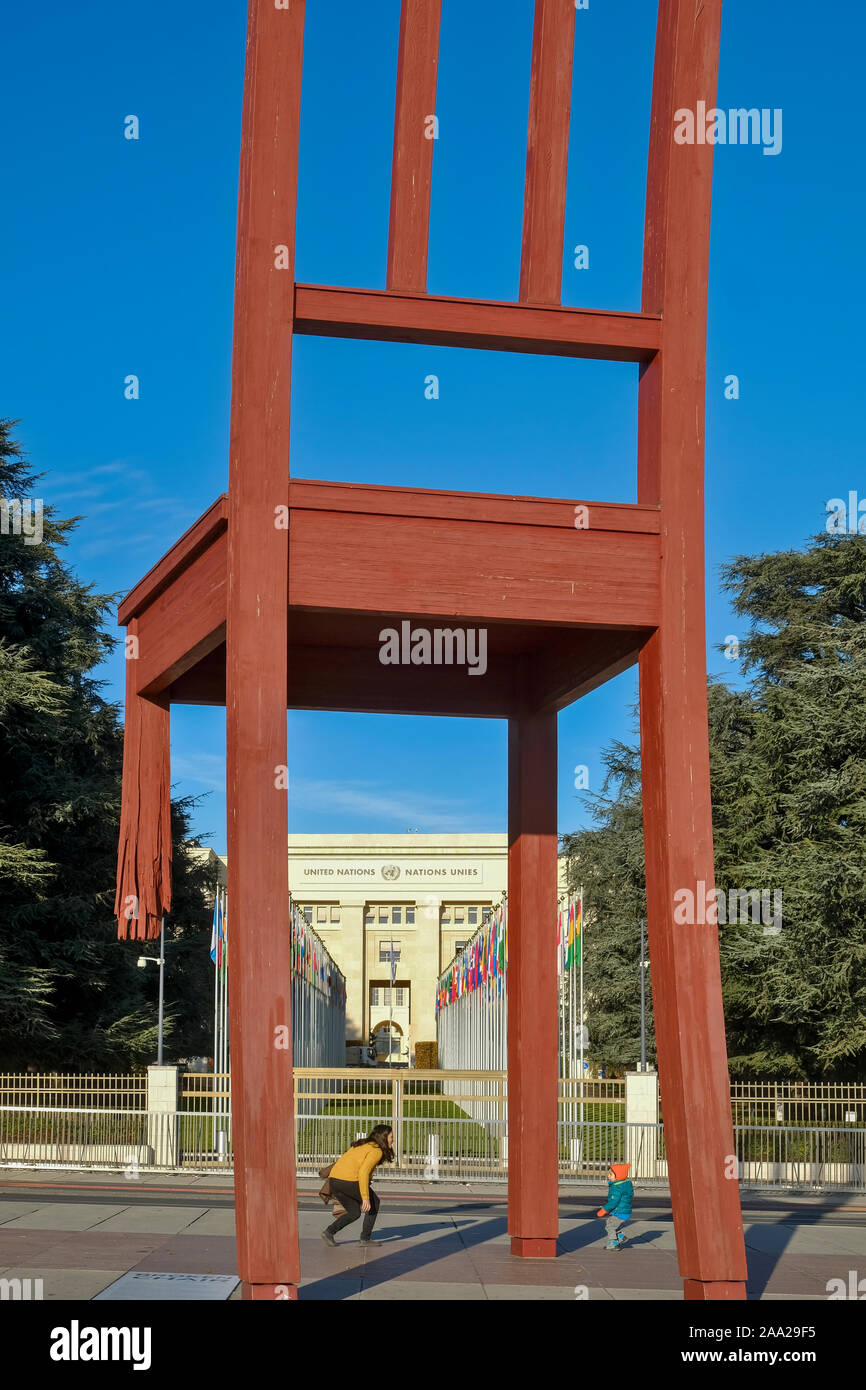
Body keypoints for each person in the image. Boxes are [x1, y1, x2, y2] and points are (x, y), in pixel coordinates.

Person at [321, 1124, 394, 1247]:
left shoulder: (362, 1144)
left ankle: (329, 1232)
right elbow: (363, 1172)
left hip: (334, 1181)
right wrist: (365, 1197)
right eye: (391, 1137)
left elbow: (350, 1163)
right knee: (374, 1203)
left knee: (354, 1212)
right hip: (349, 1181)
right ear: (384, 1137)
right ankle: (365, 1239)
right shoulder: (376, 1150)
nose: (393, 1139)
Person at [596, 1161, 633, 1249]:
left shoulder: (617, 1188)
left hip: (619, 1212)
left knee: (609, 1226)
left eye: (611, 1174)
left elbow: (614, 1202)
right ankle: (621, 1236)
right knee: (610, 1224)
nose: (608, 1176)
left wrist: (604, 1209)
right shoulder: (624, 1185)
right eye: (608, 1174)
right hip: (623, 1211)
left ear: (618, 1176)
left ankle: (614, 1243)